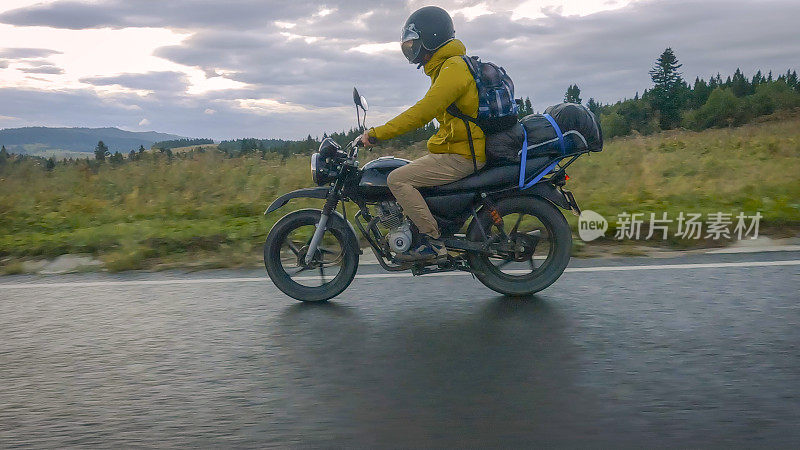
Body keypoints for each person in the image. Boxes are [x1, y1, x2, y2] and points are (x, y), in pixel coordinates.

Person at [360, 6, 485, 261]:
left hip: (463, 155)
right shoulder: (447, 67)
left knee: (397, 180)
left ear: (432, 37)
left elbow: (423, 112)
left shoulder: (454, 68)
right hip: (457, 149)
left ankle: (432, 242)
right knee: (409, 171)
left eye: (415, 43)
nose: (412, 49)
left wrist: (376, 134)